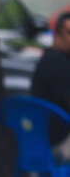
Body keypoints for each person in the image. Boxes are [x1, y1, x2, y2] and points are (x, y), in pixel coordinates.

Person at [30, 12, 70, 160]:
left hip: (38, 137)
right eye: (69, 33)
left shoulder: (48, 58)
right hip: (56, 140)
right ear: (57, 35)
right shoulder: (58, 63)